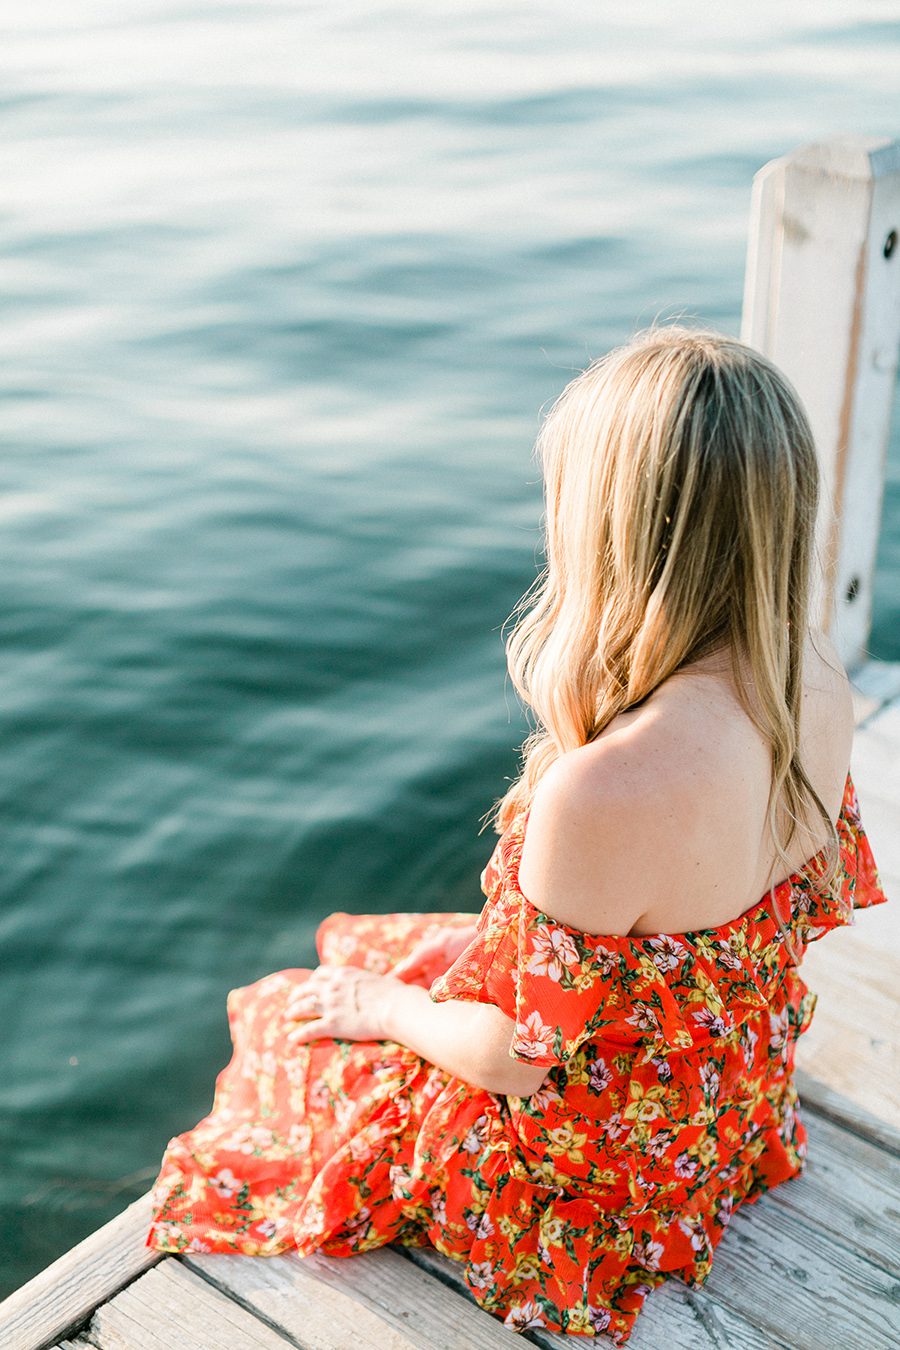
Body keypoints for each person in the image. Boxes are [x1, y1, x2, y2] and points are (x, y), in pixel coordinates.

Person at [144, 323, 889, 1343]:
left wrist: (384, 1009)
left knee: (307, 1016)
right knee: (408, 954)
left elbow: (514, 1060)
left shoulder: (601, 790)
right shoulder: (817, 687)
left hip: (599, 1183)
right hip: (723, 1119)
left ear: (612, 533)